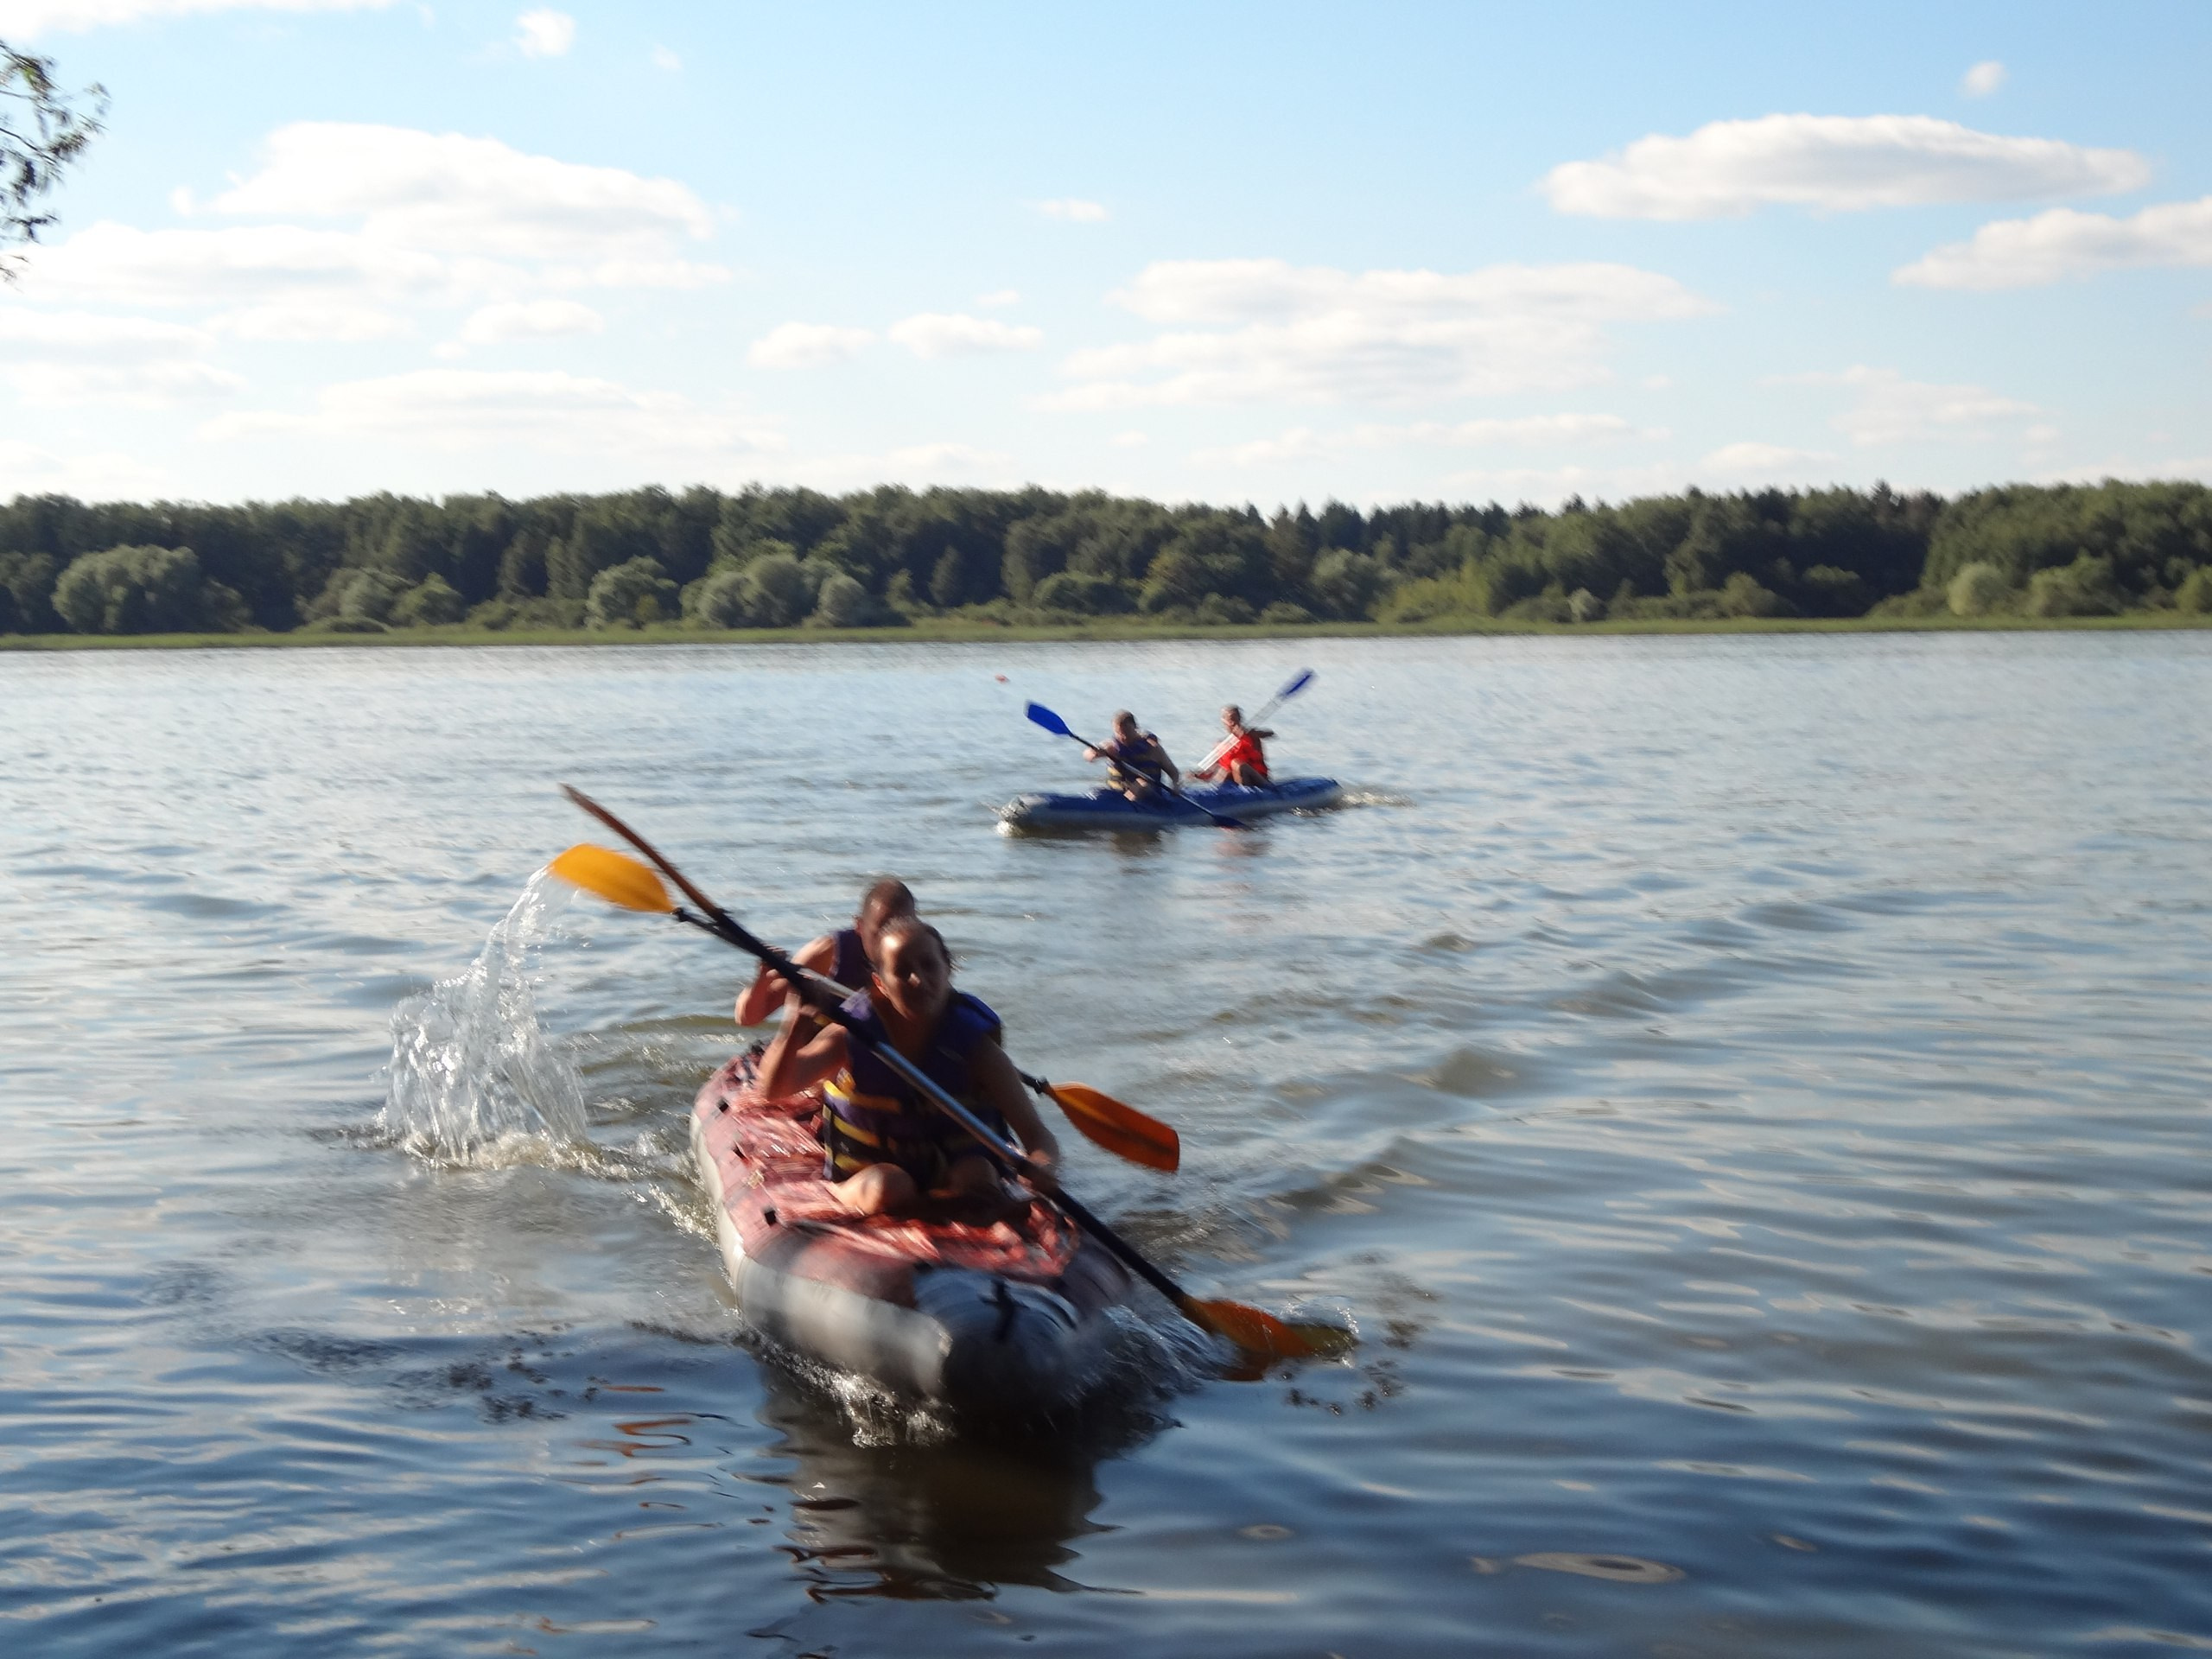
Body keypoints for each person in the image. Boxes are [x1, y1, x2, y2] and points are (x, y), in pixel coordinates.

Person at [755, 915, 1060, 1217]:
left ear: (948, 969)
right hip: (871, 1173)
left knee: (977, 1173)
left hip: (951, 1169)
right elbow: (774, 1088)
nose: (918, 980)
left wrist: (1043, 1166)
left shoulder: (978, 1049)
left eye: (928, 966)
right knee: (890, 1186)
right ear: (881, 983)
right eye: (902, 971)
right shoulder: (852, 1034)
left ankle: (944, 1206)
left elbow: (1036, 1134)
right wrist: (796, 1025)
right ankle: (845, 1194)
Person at [734, 876, 913, 1027]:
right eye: (880, 932)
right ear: (860, 926)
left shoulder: (923, 960)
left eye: (902, 929)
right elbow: (747, 1018)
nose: (891, 942)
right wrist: (763, 978)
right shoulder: (826, 954)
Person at [1083, 710, 1179, 802]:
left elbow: (1174, 772)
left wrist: (1175, 786)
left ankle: (1126, 807)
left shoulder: (1153, 749)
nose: (1123, 737)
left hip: (1150, 798)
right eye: (1119, 733)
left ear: (1136, 728)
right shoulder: (1111, 747)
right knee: (1098, 791)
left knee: (1142, 785)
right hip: (1116, 794)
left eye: (1127, 732)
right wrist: (1095, 753)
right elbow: (1088, 755)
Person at [1191, 704, 1273, 787]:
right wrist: (1198, 776)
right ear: (1224, 721)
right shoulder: (1221, 745)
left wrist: (1249, 732)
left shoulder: (1251, 735)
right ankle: (1223, 794)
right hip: (1236, 782)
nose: (1233, 723)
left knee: (1236, 763)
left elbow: (1270, 734)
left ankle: (1246, 792)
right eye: (1230, 719)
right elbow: (1211, 773)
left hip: (1259, 781)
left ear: (1240, 719)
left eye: (1236, 719)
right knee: (1223, 772)